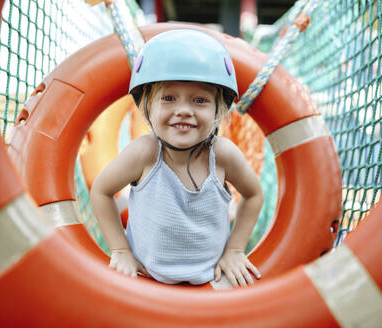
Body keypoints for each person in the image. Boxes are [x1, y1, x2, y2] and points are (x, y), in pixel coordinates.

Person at [91, 29, 263, 288]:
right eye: (169, 98)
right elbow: (101, 191)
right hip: (147, 282)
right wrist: (121, 250)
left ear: (219, 110)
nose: (183, 110)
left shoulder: (223, 154)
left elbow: (254, 194)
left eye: (200, 100)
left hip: (210, 283)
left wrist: (235, 250)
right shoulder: (144, 152)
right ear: (148, 106)